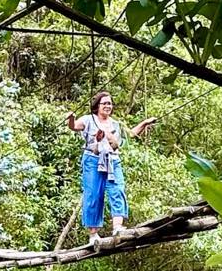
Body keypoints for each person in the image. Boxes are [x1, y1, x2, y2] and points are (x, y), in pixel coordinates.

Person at [66, 91, 156, 245]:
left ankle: (117, 227)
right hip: (93, 160)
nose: (108, 106)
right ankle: (93, 234)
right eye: (104, 103)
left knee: (117, 190)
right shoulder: (89, 120)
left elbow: (130, 134)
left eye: (110, 103)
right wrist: (71, 118)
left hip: (113, 160)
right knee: (94, 194)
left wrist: (145, 123)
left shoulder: (115, 124)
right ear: (97, 106)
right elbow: (74, 127)